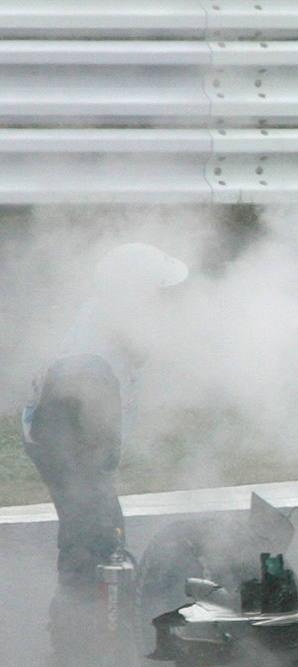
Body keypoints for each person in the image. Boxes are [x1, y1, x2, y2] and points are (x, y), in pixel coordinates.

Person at [22, 242, 189, 615]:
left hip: (57, 435)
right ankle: (83, 630)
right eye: (160, 294)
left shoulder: (107, 318)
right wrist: (98, 467)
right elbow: (76, 422)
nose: (168, 303)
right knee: (92, 534)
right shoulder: (89, 360)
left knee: (101, 528)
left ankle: (92, 618)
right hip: (63, 439)